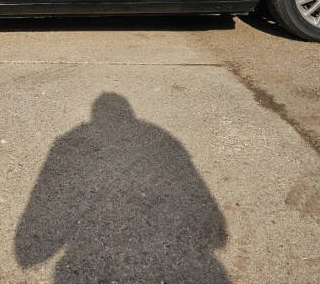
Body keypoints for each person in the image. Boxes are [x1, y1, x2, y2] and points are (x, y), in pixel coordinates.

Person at [15, 93, 230, 283]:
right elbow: (215, 232)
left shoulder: (69, 139)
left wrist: (34, 249)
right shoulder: (161, 136)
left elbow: (33, 245)